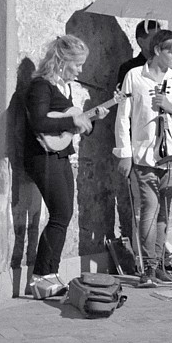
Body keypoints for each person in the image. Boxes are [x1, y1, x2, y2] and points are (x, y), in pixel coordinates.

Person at [25, 35, 108, 299]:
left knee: (64, 214)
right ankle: (40, 277)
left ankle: (50, 273)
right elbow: (39, 123)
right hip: (42, 155)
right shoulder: (41, 86)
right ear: (62, 61)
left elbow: (74, 126)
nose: (81, 70)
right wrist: (73, 122)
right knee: (60, 214)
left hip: (61, 155)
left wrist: (91, 121)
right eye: (78, 64)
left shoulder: (66, 88)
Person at [116, 20, 172, 274]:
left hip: (171, 155)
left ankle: (160, 263)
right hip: (144, 154)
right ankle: (148, 266)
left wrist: (170, 107)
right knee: (149, 209)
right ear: (157, 51)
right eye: (171, 52)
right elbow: (123, 117)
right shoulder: (134, 76)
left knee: (165, 210)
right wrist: (124, 154)